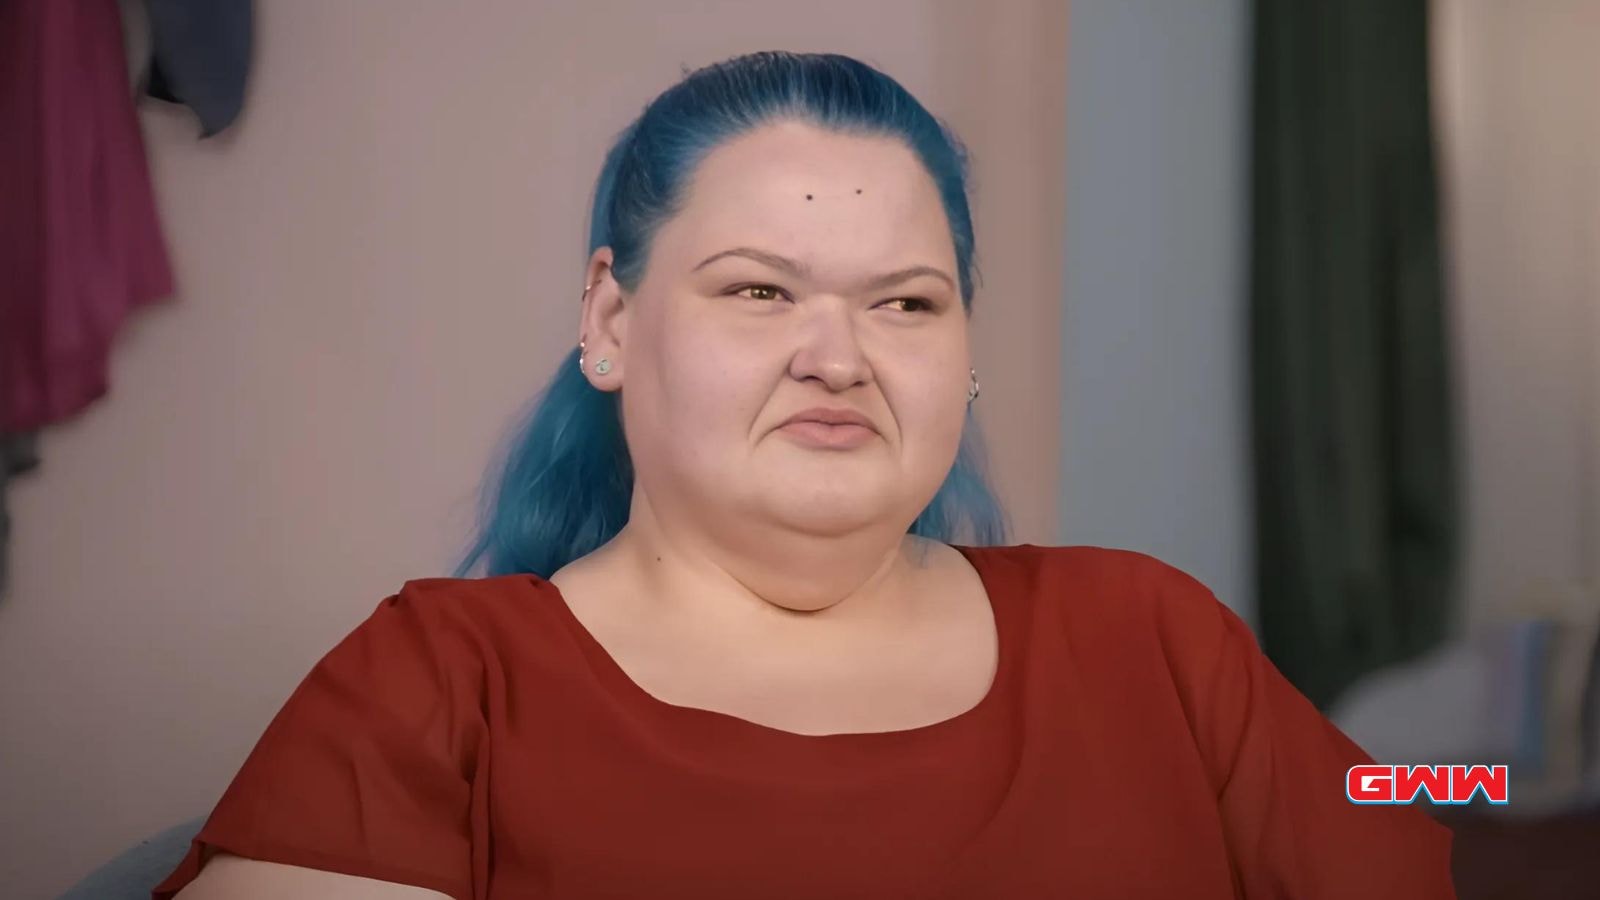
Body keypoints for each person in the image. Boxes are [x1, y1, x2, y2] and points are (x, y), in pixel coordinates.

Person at [154, 51, 1455, 899]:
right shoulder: (439, 685)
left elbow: (1403, 796)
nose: (838, 356)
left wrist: (1468, 765)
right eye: (761, 290)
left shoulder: (1150, 634)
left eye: (906, 302)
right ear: (611, 322)